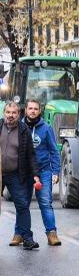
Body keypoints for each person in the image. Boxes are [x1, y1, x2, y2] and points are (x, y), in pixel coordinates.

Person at [1, 102, 40, 250]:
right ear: (4, 113)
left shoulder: (23, 130)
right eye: (8, 112)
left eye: (14, 113)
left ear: (19, 114)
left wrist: (35, 175)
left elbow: (31, 155)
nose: (11, 115)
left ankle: (27, 238)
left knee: (22, 205)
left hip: (15, 174)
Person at [22, 99, 62, 246]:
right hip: (24, 172)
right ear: (25, 110)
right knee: (23, 204)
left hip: (44, 171)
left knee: (46, 203)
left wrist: (56, 171)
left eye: (36, 109)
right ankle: (19, 233)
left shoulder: (46, 128)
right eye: (30, 108)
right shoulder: (19, 127)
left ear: (40, 111)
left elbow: (54, 151)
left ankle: (51, 233)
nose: (33, 111)